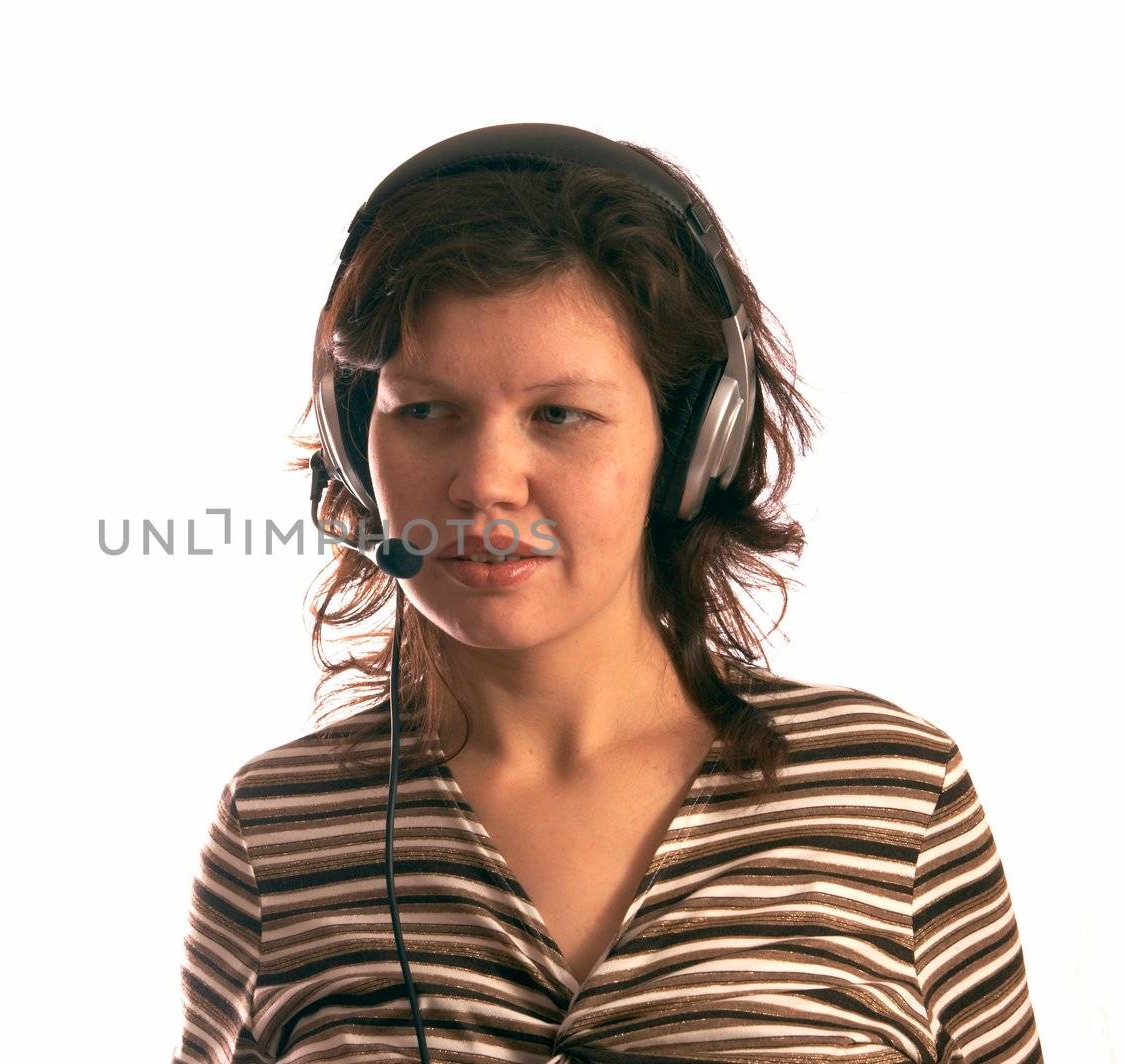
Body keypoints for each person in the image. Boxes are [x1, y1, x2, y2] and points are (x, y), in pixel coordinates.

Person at [171, 124, 1042, 1063]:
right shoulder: (276, 833)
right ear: (354, 443)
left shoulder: (894, 797)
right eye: (424, 410)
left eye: (559, 415)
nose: (486, 482)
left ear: (690, 444)